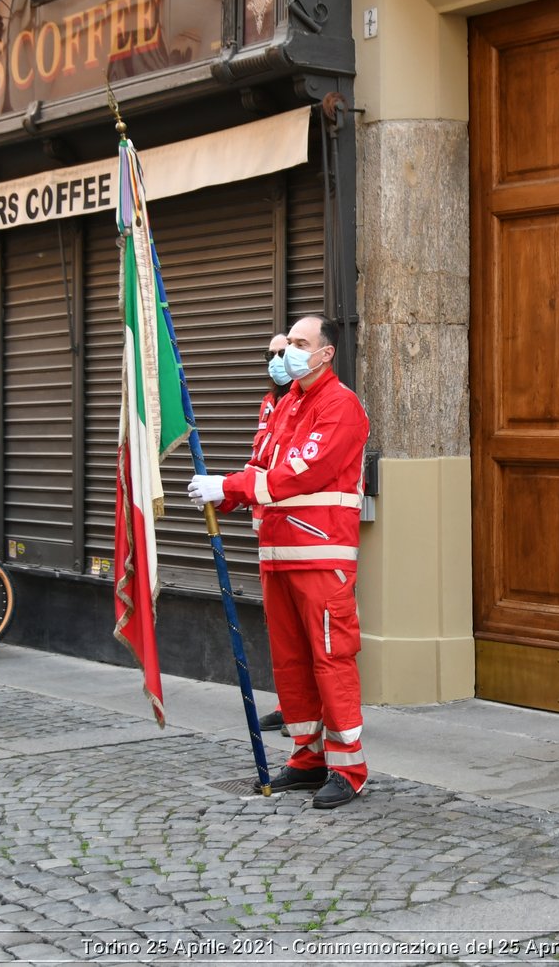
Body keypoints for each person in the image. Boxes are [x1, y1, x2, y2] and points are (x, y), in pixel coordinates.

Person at [188, 315, 370, 809]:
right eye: (287, 342)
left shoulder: (341, 406)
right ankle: (307, 757)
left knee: (330, 659)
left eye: (299, 343)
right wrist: (222, 494)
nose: (287, 351)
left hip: (320, 557)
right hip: (277, 555)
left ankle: (348, 765)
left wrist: (229, 487)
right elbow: (262, 468)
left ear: (326, 352)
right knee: (291, 663)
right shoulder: (286, 404)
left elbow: (299, 473)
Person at [255, 333, 291, 735]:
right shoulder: (269, 404)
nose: (276, 360)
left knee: (309, 632)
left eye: (283, 352)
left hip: (305, 536)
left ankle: (309, 710)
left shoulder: (306, 403)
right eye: (270, 354)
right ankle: (288, 704)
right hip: (268, 528)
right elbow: (260, 459)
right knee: (278, 627)